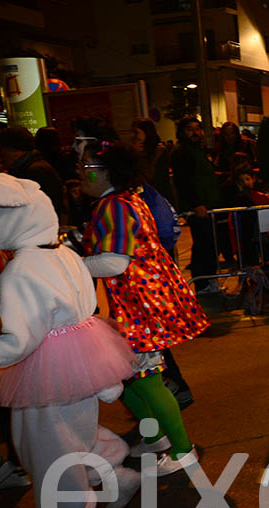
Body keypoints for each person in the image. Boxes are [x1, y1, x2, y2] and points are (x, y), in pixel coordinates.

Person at [0, 173, 139, 508]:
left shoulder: (19, 271)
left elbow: (19, 341)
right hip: (80, 361)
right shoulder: (65, 254)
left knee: (44, 447)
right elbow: (86, 308)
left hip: (42, 370)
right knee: (74, 434)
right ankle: (115, 478)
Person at [81, 142, 209, 475]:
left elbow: (113, 261)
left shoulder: (115, 205)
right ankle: (158, 439)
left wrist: (69, 262)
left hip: (136, 306)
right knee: (128, 379)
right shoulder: (123, 201)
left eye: (87, 168)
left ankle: (182, 450)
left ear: (107, 172)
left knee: (146, 378)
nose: (81, 174)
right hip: (137, 302)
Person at [170, 116, 221, 292]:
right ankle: (202, 281)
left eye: (197, 128)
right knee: (202, 243)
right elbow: (185, 182)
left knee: (209, 243)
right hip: (198, 208)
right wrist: (196, 203)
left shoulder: (198, 151)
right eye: (190, 129)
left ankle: (209, 278)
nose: (195, 133)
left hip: (208, 206)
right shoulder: (182, 152)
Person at [0, 126, 66, 221]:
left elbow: (25, 211)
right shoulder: (31, 166)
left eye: (1, 149)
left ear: (15, 150)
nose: (0, 155)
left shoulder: (34, 172)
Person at [132, 118, 174, 204]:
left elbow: (152, 176)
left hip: (156, 198)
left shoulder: (158, 151)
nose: (133, 136)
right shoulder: (135, 150)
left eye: (136, 132)